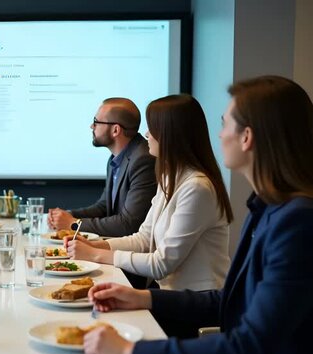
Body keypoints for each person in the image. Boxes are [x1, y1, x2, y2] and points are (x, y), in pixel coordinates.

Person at [83, 76, 313, 354]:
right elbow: (229, 300)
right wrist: (144, 297)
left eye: (225, 123)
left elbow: (252, 344)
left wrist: (130, 351)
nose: (219, 135)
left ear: (247, 137)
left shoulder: (296, 222)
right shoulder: (267, 209)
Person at [67, 95, 233, 293]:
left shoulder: (197, 188)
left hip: (196, 303)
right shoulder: (170, 179)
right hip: (171, 295)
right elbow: (144, 239)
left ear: (170, 134)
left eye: (152, 128)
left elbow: (161, 264)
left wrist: (95, 254)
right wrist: (97, 245)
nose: (146, 134)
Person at [48, 98, 157, 237]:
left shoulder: (143, 159)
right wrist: (69, 215)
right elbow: (105, 207)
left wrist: (73, 224)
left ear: (115, 130)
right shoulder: (115, 158)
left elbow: (129, 224)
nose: (91, 126)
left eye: (96, 122)